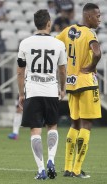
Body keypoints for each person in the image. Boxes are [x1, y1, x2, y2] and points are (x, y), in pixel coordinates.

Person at [17, 9, 67, 180]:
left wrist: (21, 94)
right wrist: (62, 88)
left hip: (33, 91)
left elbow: (20, 72)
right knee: (52, 126)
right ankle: (51, 160)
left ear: (35, 23)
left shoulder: (25, 43)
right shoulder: (58, 44)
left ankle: (41, 170)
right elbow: (62, 70)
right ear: (48, 23)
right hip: (51, 91)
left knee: (35, 131)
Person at [56, 3, 101, 178]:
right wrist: (90, 67)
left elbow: (55, 45)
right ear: (88, 16)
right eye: (97, 15)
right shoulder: (90, 34)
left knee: (74, 124)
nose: (99, 18)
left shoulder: (68, 31)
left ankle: (67, 168)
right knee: (87, 125)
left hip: (71, 83)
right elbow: (97, 53)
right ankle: (76, 169)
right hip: (87, 83)